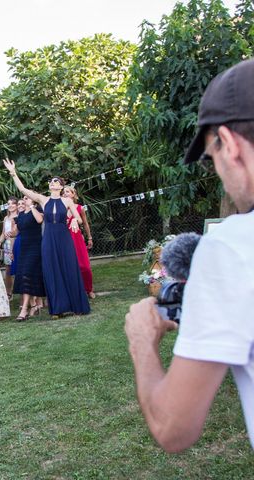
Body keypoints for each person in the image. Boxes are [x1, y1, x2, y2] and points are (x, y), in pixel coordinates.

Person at [125, 59, 254, 452]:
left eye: (210, 157)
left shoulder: (233, 246)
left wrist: (141, 340)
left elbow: (173, 428)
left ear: (228, 144)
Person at [4, 160, 90, 318]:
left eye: (56, 181)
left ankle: (76, 305)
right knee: (52, 271)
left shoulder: (67, 201)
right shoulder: (44, 200)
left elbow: (78, 219)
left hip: (64, 238)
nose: (52, 183)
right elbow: (22, 189)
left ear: (61, 186)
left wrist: (73, 222)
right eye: (51, 181)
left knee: (69, 268)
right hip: (49, 239)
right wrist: (13, 173)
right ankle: (57, 309)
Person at [9, 195, 45, 321]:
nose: (24, 200)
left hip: (35, 247)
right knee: (25, 275)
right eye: (23, 198)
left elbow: (40, 220)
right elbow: (15, 233)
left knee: (29, 274)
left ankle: (25, 309)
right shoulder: (20, 216)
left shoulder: (37, 211)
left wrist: (31, 206)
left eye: (27, 198)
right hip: (24, 248)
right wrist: (12, 228)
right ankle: (33, 305)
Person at [62, 186, 95, 299]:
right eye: (64, 192)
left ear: (73, 194)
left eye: (68, 191)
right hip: (64, 241)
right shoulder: (61, 208)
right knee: (69, 266)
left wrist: (89, 237)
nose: (65, 193)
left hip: (77, 239)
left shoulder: (79, 208)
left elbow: (85, 223)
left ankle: (89, 289)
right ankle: (74, 290)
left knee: (84, 266)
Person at [0, 197, 19, 298]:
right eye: (8, 204)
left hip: (16, 242)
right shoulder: (6, 218)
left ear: (17, 205)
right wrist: (0, 241)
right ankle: (8, 292)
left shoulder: (19, 216)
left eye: (13, 203)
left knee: (18, 266)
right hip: (7, 244)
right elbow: (3, 232)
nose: (10, 205)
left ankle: (21, 290)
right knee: (8, 269)